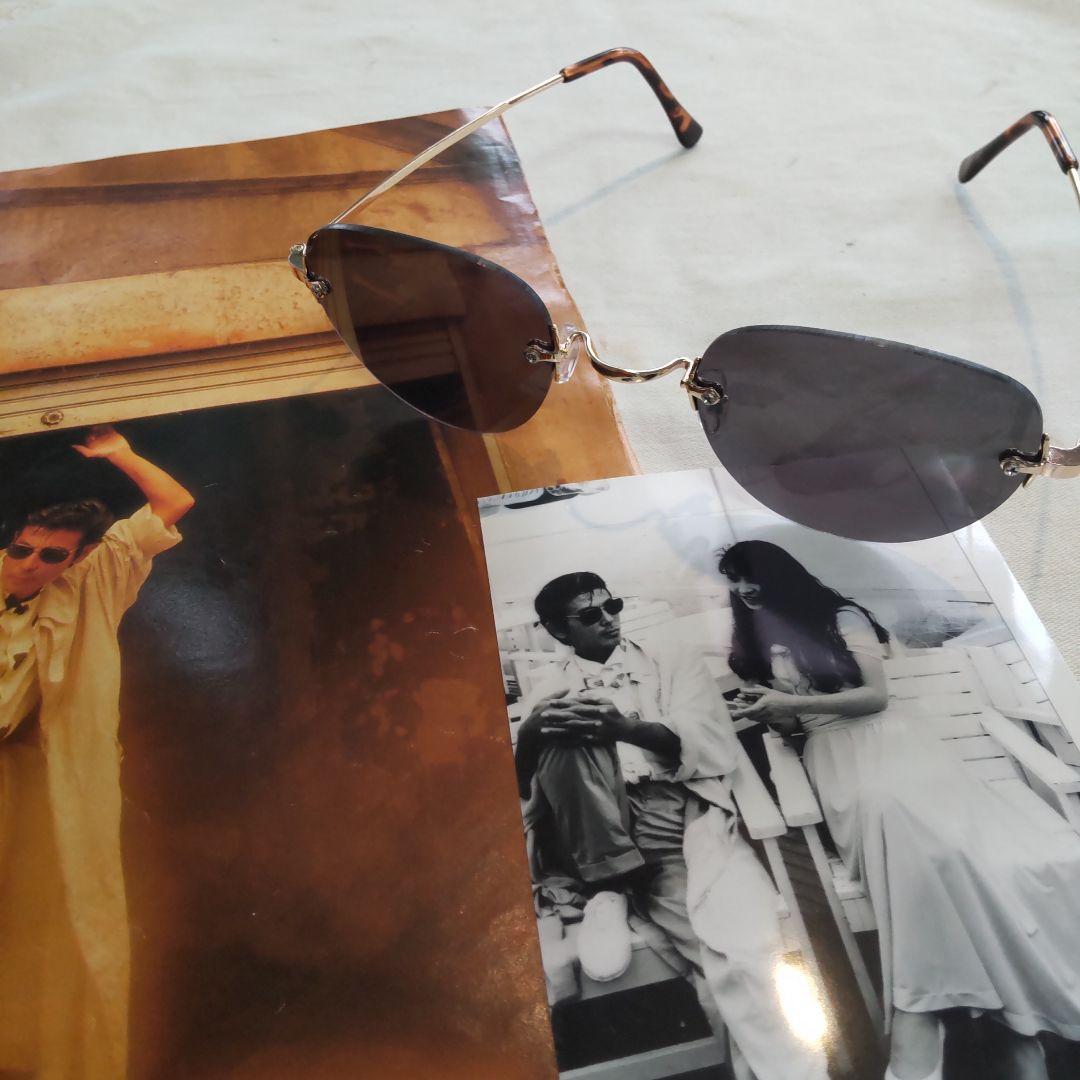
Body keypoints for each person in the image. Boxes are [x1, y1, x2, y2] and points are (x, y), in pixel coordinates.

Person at [721, 539, 1080, 1080]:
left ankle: (946, 1019)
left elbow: (874, 697)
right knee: (898, 821)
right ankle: (995, 1024)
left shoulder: (841, 618)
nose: (743, 588)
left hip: (896, 743)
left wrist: (789, 701)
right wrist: (769, 712)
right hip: (836, 761)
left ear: (779, 574)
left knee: (951, 853)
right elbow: (794, 727)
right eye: (733, 579)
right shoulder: (751, 641)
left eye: (750, 575)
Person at [516, 571, 828, 1080]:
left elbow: (711, 741)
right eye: (590, 615)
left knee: (736, 951)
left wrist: (627, 729)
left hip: (680, 814)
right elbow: (530, 794)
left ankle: (788, 1074)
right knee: (556, 727)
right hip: (610, 834)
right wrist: (530, 735)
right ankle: (609, 883)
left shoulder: (670, 661)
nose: (608, 620)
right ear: (557, 630)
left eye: (613, 606)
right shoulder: (551, 691)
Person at [0, 424, 195, 1080]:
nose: (31, 564)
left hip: (44, 775)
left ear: (77, 557)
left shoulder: (94, 578)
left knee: (59, 916)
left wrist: (122, 456)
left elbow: (173, 504)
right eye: (21, 548)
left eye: (51, 555)